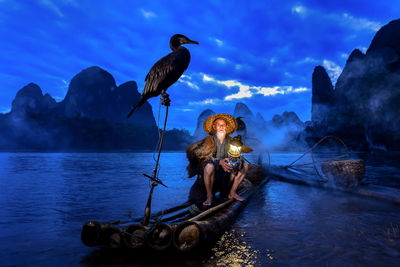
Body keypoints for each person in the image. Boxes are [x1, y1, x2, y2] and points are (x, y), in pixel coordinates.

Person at [186, 113, 253, 208]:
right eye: (218, 124)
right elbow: (200, 157)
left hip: (225, 177)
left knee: (244, 165)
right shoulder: (208, 141)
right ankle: (209, 196)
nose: (221, 127)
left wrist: (238, 160)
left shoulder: (231, 141)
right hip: (211, 177)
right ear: (214, 127)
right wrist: (219, 162)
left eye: (223, 125)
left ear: (226, 127)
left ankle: (232, 192)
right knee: (209, 166)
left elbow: (236, 155)